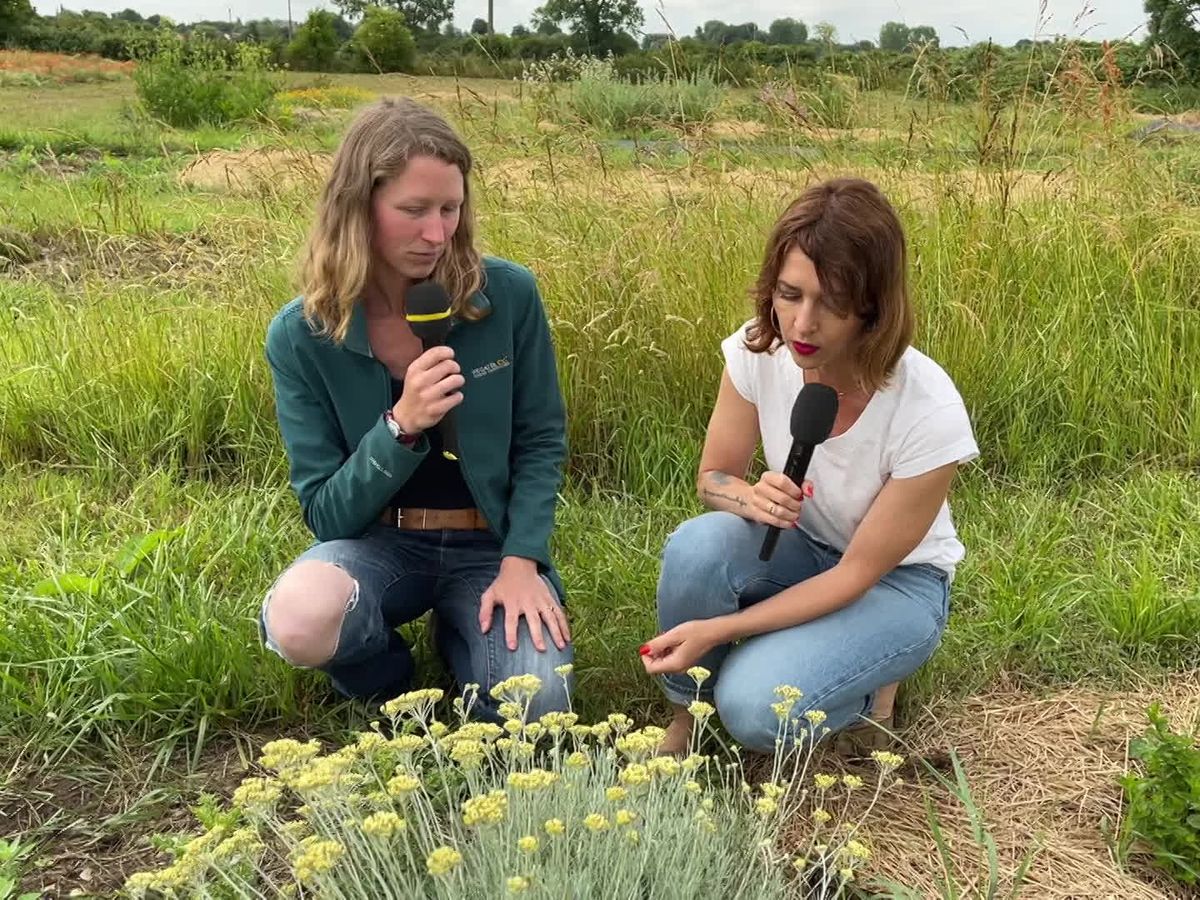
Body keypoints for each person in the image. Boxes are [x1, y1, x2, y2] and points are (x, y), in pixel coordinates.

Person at [259, 97, 573, 722]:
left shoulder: (508, 295)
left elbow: (542, 440)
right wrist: (400, 426)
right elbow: (326, 512)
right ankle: (388, 678)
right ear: (359, 208)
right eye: (413, 211)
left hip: (490, 547)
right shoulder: (301, 335)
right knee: (300, 618)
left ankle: (464, 636)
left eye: (450, 209)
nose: (437, 234)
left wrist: (521, 562)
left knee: (536, 706)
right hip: (379, 544)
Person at [640, 177, 979, 755]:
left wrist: (722, 631)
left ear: (874, 308)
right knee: (697, 546)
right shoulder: (756, 351)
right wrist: (749, 498)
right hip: (802, 545)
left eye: (832, 303)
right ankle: (686, 719)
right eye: (790, 295)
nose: (802, 325)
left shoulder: (930, 410)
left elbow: (853, 577)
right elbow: (713, 477)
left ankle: (871, 696)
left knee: (751, 708)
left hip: (894, 584)